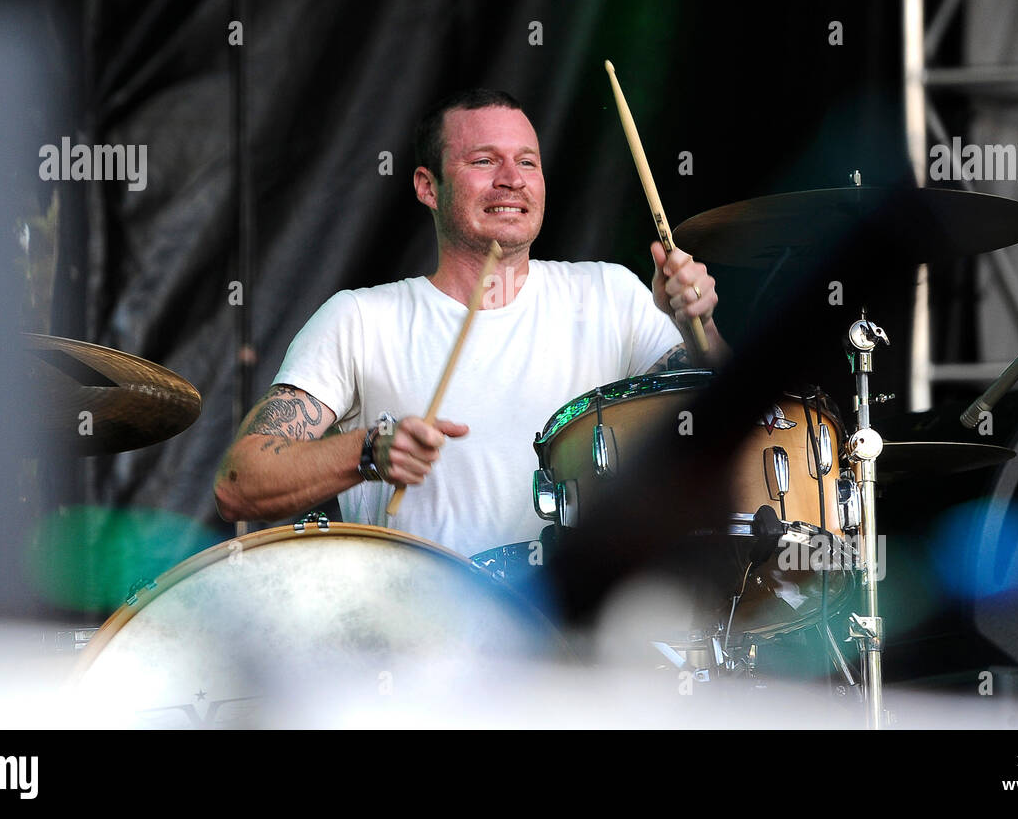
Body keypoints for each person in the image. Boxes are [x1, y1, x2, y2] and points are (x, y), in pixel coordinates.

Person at [214, 89, 729, 556]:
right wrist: (368, 451)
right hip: (419, 637)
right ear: (428, 187)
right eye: (484, 161)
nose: (512, 179)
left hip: (572, 637)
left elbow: (738, 424)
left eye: (527, 162)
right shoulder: (360, 319)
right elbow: (238, 484)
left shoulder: (609, 293)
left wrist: (696, 326)